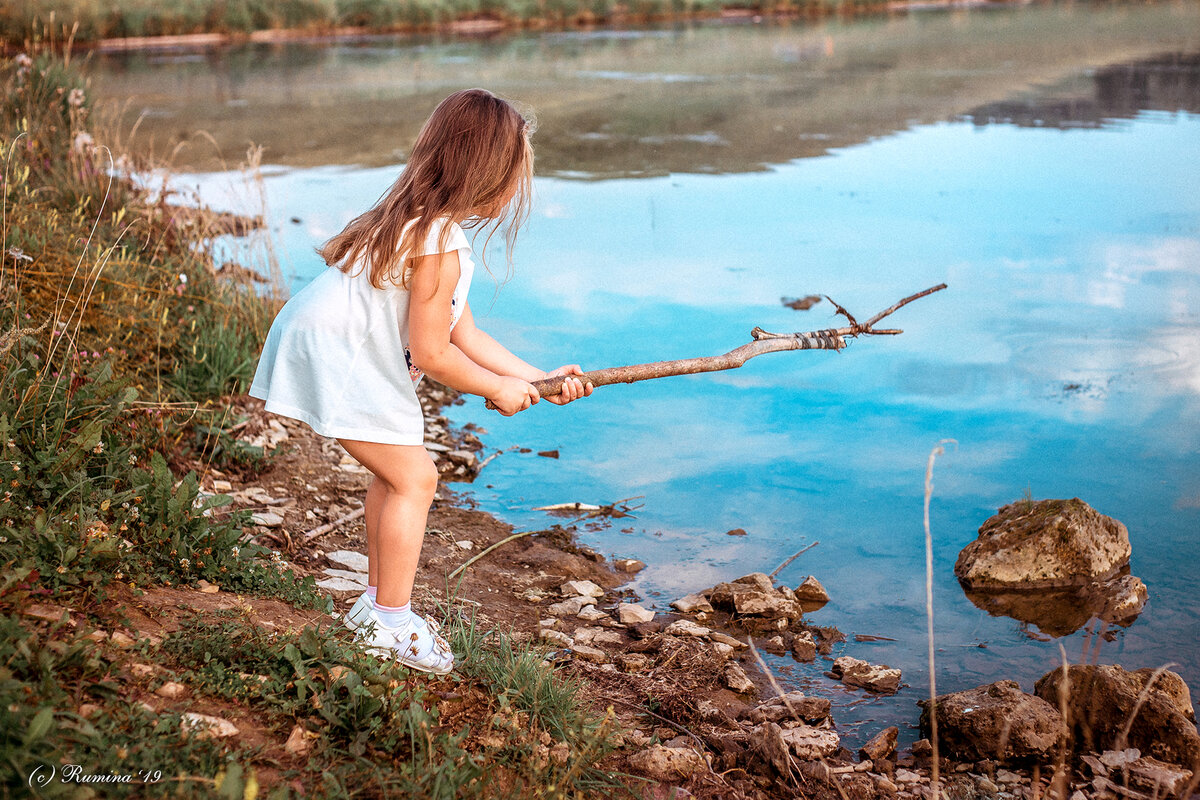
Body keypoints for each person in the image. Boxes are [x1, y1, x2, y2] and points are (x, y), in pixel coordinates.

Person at [248, 89, 592, 675]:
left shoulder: (424, 224)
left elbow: (465, 332)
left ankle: (374, 611)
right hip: (339, 355)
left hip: (335, 347)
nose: (519, 188)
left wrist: (537, 377)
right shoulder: (440, 245)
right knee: (417, 477)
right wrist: (494, 390)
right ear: (489, 174)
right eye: (518, 172)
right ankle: (390, 622)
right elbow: (432, 355)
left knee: (398, 472)